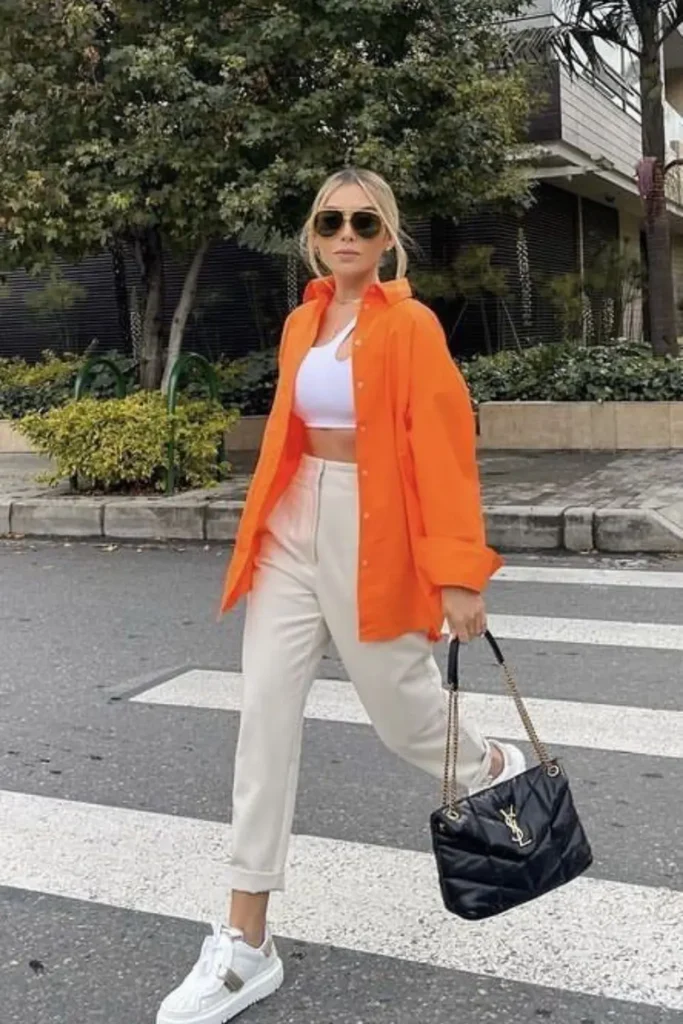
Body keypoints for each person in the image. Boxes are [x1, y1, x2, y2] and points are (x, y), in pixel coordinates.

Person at [157, 168, 525, 1024]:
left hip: (374, 529)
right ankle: (246, 943)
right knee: (264, 721)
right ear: (314, 234)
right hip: (290, 528)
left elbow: (442, 450)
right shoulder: (301, 321)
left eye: (364, 220)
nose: (347, 232)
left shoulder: (411, 327)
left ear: (388, 235)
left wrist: (458, 572)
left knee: (404, 717)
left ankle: (487, 764)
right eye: (331, 220)